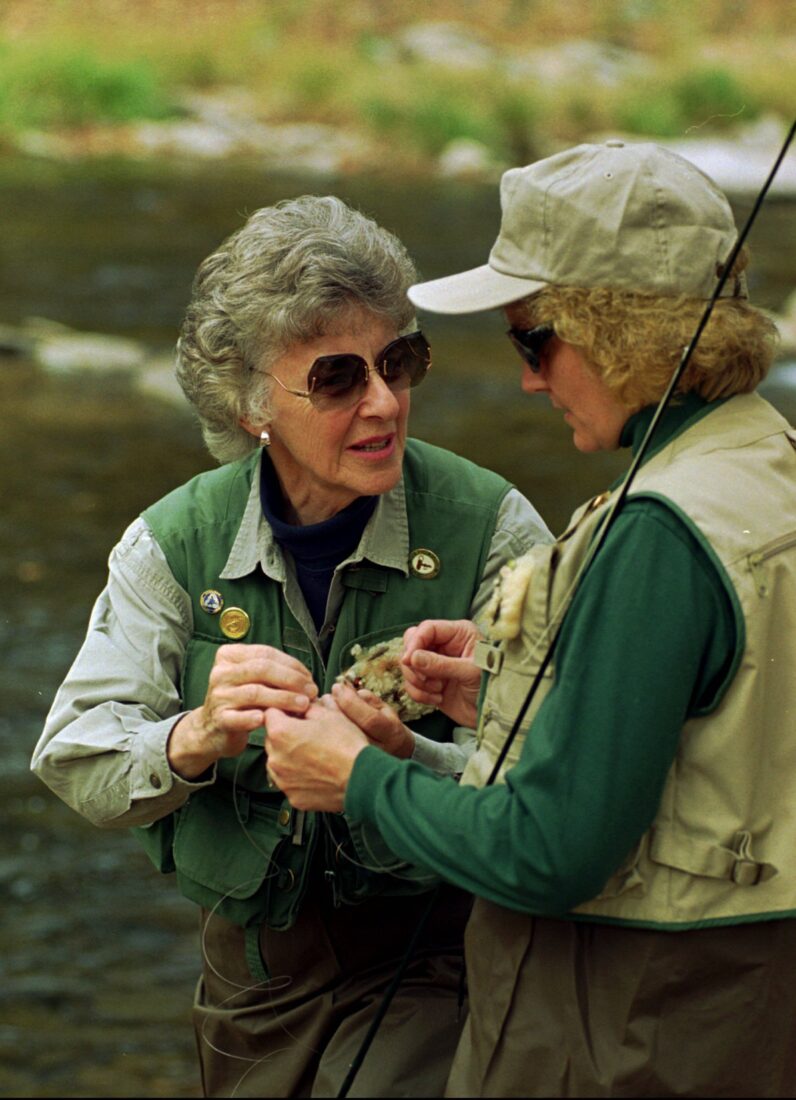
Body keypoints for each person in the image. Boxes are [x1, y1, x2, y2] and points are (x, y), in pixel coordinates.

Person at [261, 142, 796, 1098]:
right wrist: (516, 700)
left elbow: (552, 852)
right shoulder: (768, 467)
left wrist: (360, 779)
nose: (528, 382)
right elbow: (717, 762)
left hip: (628, 1040)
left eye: (532, 342)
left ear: (618, 330)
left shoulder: (660, 536)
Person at [31, 195, 552, 1098]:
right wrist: (192, 737)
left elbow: (565, 778)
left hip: (446, 962)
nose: (385, 402)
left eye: (401, 360)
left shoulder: (493, 528)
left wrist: (404, 761)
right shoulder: (172, 542)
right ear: (249, 401)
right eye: (339, 378)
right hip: (251, 992)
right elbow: (73, 756)